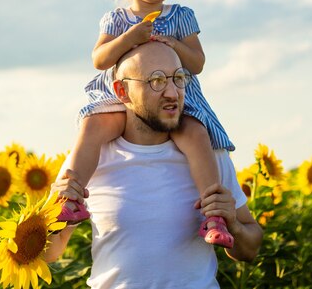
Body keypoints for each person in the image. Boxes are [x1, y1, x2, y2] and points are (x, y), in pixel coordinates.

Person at [57, 0, 236, 247]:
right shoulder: (117, 19)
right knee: (92, 126)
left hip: (178, 95)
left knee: (196, 134)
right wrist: (129, 38)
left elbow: (197, 62)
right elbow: (100, 60)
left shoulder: (181, 15)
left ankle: (213, 214)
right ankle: (70, 199)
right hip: (121, 97)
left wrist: (174, 44)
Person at [47, 41, 263, 289]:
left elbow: (250, 250)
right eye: (156, 81)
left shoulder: (209, 157)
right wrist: (52, 221)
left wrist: (233, 224)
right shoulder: (90, 158)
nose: (172, 92)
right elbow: (50, 253)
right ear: (122, 91)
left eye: (178, 78)